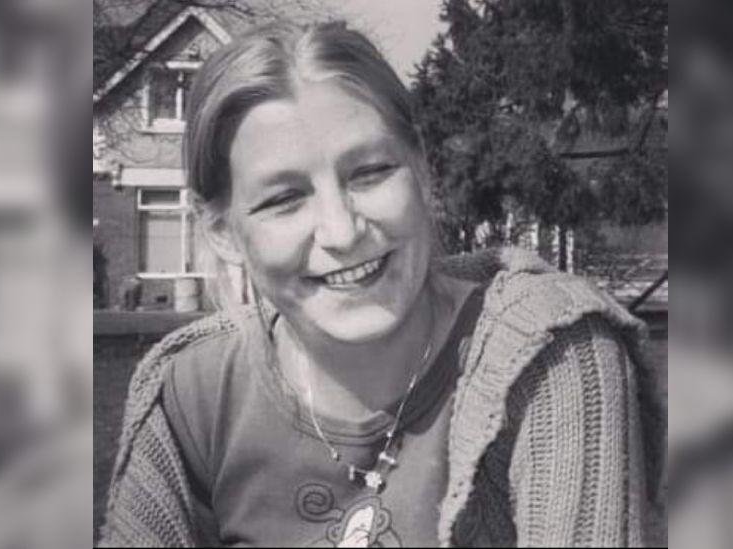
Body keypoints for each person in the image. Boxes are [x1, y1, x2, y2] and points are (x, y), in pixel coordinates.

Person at [99, 21, 662, 547]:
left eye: (369, 173)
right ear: (223, 232)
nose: (342, 232)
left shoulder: (556, 355)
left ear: (420, 168)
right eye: (283, 199)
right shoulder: (189, 391)